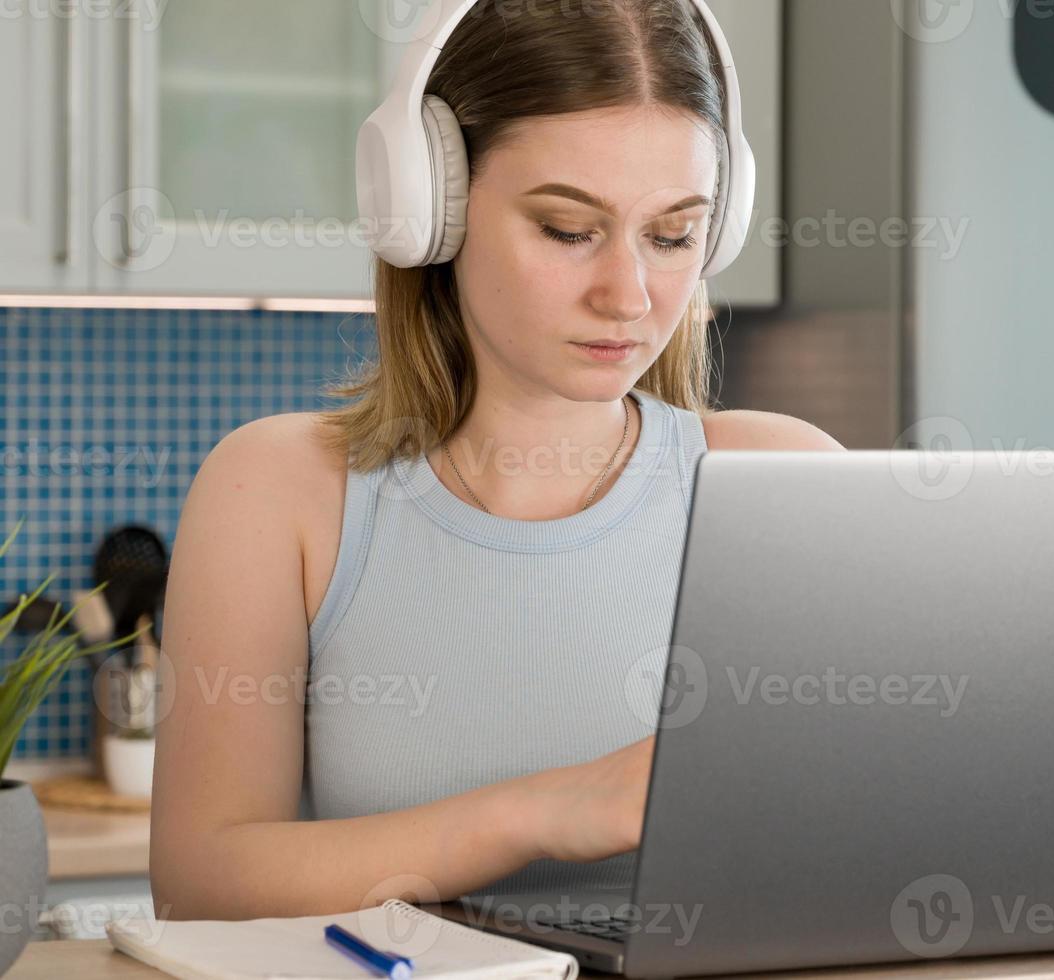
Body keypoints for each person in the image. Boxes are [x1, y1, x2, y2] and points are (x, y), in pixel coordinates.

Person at [151, 0, 843, 920]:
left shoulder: (786, 483)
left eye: (673, 236)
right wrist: (542, 811)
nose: (629, 295)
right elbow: (202, 885)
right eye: (567, 230)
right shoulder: (276, 491)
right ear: (429, 207)